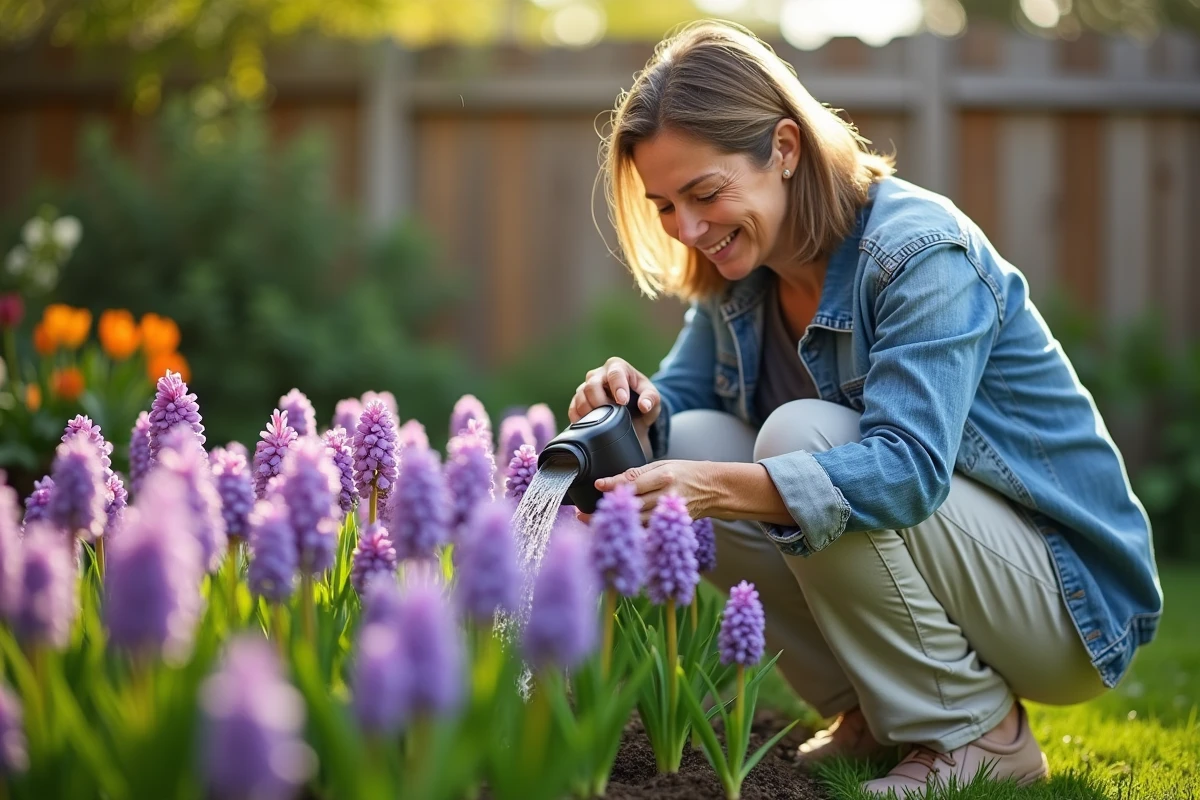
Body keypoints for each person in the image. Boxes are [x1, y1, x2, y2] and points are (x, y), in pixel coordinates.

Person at [568, 19, 1162, 797]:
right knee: (710, 439)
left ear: (784, 148)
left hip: (1067, 604)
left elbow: (907, 472)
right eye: (664, 206)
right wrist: (627, 402)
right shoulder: (742, 276)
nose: (688, 229)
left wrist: (713, 486)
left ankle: (978, 736)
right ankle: (873, 714)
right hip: (964, 571)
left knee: (794, 440)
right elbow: (680, 409)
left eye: (705, 194)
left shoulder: (918, 253)